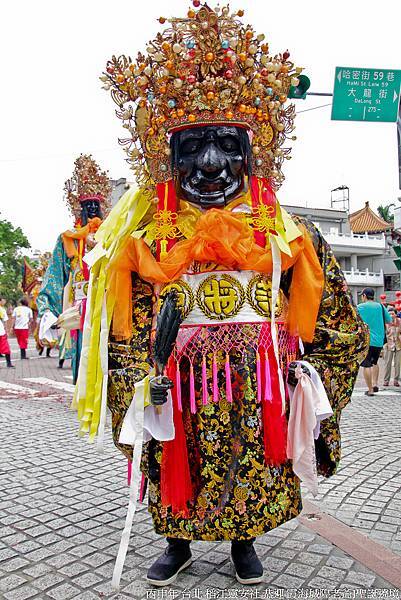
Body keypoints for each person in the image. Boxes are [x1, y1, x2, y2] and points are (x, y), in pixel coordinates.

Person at [77, 3, 368, 588]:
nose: (211, 165)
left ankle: (244, 541)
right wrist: (138, 378)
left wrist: (303, 368)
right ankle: (177, 542)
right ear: (169, 157)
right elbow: (123, 330)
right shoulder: (145, 241)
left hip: (255, 378)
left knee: (252, 458)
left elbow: (333, 320)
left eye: (228, 145)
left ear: (253, 153)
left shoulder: (287, 235)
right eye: (193, 147)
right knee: (171, 450)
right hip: (177, 379)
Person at [36, 155, 111, 383]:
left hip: (108, 306)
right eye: (87, 206)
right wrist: (47, 309)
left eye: (95, 205)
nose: (92, 210)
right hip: (81, 309)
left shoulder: (112, 234)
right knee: (84, 364)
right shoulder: (68, 239)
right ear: (79, 210)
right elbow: (55, 276)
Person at [357, 287, 391, 396]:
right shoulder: (380, 306)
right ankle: (375, 384)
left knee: (366, 365)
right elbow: (389, 320)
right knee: (375, 362)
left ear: (364, 296)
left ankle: (370, 390)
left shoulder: (360, 307)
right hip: (379, 341)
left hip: (366, 340)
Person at [383, 305, 401, 386]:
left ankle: (396, 380)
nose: (391, 315)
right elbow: (383, 334)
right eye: (389, 314)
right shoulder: (386, 323)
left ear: (396, 314)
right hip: (389, 345)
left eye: (393, 314)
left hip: (398, 345)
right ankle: (386, 380)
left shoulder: (400, 322)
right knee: (387, 363)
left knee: (397, 364)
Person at [0, 298, 14, 368]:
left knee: (6, 348)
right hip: (1, 332)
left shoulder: (2, 310)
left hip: (1, 332)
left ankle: (9, 363)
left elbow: (5, 321)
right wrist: (7, 331)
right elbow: (5, 321)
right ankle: (9, 363)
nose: (4, 302)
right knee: (6, 348)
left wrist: (6, 330)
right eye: (3, 301)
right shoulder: (1, 309)